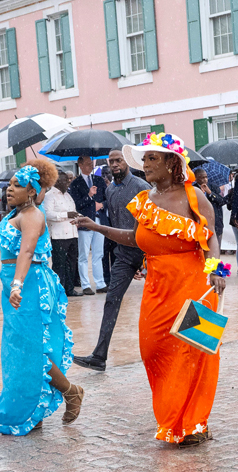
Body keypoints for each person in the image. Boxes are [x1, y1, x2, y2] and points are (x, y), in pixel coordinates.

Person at [73, 133, 225, 445]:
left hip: (194, 285)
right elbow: (135, 239)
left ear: (172, 163)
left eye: (152, 158)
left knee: (194, 352)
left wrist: (217, 272)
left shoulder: (194, 196)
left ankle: (194, 424)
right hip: (157, 287)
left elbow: (211, 238)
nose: (146, 165)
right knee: (153, 350)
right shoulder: (144, 201)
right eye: (144, 160)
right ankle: (172, 415)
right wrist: (97, 226)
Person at [0, 161, 85, 435]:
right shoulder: (16, 213)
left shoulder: (33, 215)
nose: (9, 190)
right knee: (19, 349)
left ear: (33, 190)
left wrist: (17, 285)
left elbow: (26, 253)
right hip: (15, 284)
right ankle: (31, 408)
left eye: (17, 186)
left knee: (32, 348)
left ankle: (71, 392)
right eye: (9, 185)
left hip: (29, 284)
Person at [71, 150, 150, 372]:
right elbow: (115, 225)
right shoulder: (110, 189)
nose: (114, 164)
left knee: (158, 304)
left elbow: (151, 226)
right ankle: (99, 356)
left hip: (148, 252)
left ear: (127, 162)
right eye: (111, 161)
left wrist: (143, 260)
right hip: (124, 255)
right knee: (111, 302)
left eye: (118, 161)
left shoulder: (142, 187)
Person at [69, 156, 107, 295]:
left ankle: (100, 283)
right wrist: (89, 196)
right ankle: (85, 284)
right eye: (87, 164)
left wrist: (102, 205)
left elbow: (107, 198)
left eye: (92, 163)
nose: (91, 166)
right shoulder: (75, 184)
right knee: (84, 254)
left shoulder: (99, 180)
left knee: (99, 253)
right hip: (85, 222)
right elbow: (76, 204)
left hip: (99, 221)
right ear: (80, 165)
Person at [44, 171, 81, 297]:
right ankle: (58, 290)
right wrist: (66, 215)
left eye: (68, 180)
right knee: (59, 264)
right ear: (57, 181)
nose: (68, 182)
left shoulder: (68, 196)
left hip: (72, 234)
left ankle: (70, 289)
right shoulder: (49, 196)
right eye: (65, 180)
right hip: (59, 236)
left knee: (71, 264)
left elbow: (74, 212)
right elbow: (47, 215)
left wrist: (79, 218)